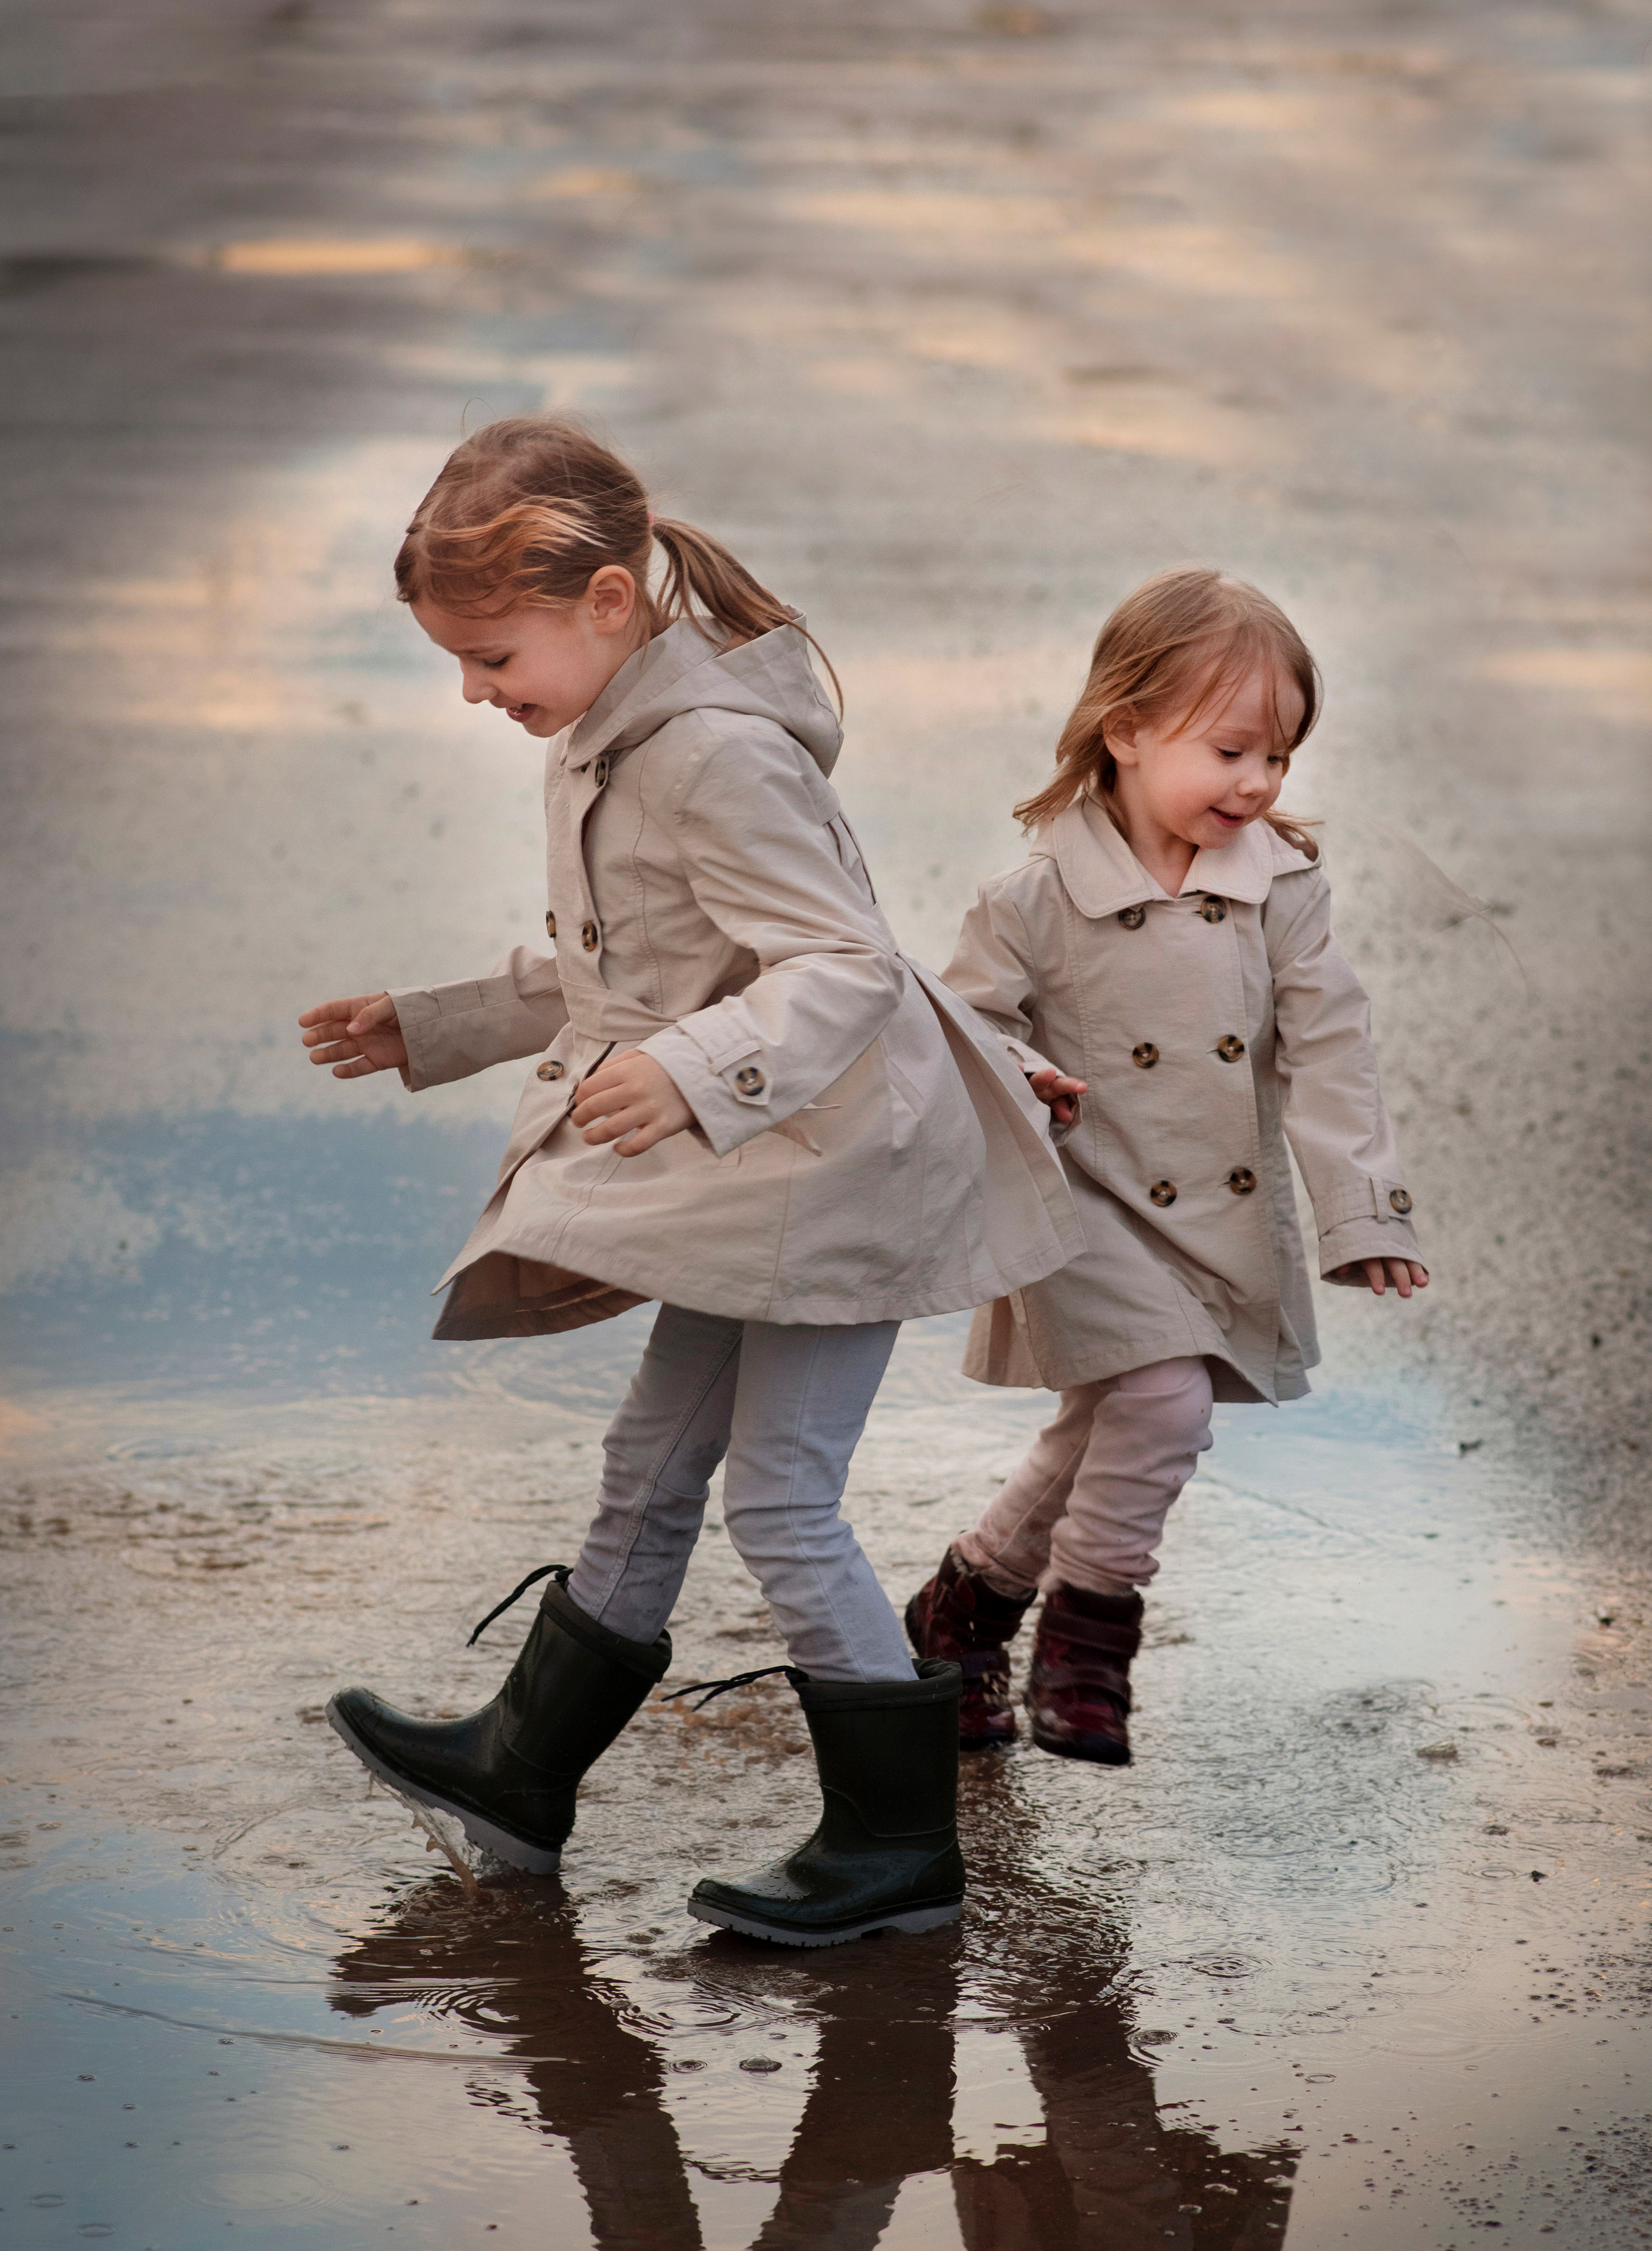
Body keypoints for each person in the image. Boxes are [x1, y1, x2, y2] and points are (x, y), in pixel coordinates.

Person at [297, 415, 1082, 1944]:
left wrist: (691, 1070)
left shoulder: (710, 752)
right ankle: (522, 1770)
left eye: (490, 655)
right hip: (765, 1169)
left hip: (840, 1167)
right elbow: (633, 963)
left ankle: (896, 1847)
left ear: (604, 604)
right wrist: (438, 1023)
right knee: (650, 1465)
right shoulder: (615, 728)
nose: (473, 692)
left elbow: (841, 965)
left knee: (781, 1499)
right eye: (457, 663)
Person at [905, 567, 1428, 1764]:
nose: (1257, 784)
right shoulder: (1032, 898)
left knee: (1109, 1419)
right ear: (1126, 729)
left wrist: (1364, 1214)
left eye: (1281, 759)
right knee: (1161, 1400)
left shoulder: (1281, 894)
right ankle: (1090, 1647)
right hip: (1082, 1199)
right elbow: (963, 1027)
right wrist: (1020, 1069)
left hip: (1214, 1217)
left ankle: (961, 1613)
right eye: (1233, 750)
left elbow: (1330, 1049)